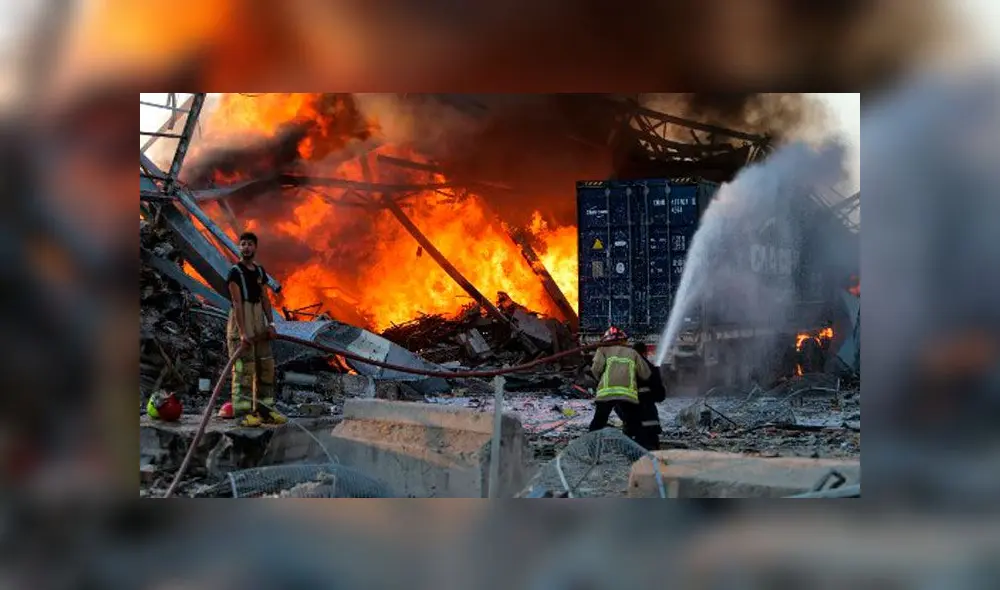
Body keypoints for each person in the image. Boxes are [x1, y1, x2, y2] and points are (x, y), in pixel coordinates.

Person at [226, 232, 286, 427]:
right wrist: (243, 333)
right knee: (244, 369)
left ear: (255, 247)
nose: (246, 247)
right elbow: (237, 303)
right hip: (242, 320)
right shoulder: (235, 272)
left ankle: (265, 411)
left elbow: (265, 299)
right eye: (243, 244)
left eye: (250, 244)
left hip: (259, 320)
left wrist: (272, 324)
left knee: (266, 367)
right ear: (239, 248)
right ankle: (242, 414)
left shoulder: (259, 271)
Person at [588, 327, 651, 440]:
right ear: (624, 340)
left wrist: (600, 380)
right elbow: (645, 374)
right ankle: (635, 444)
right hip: (628, 393)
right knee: (633, 421)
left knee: (599, 420)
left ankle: (591, 444)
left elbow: (595, 369)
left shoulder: (602, 350)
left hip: (606, 392)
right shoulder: (633, 353)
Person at [632, 342, 666, 451]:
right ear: (645, 353)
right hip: (650, 411)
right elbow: (660, 395)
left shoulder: (628, 367)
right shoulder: (651, 367)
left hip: (632, 408)